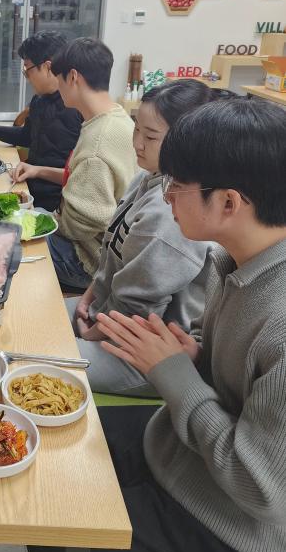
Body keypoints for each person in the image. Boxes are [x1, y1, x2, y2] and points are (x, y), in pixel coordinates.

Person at [28, 97, 286, 552]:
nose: (165, 194)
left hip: (246, 524)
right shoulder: (238, 260)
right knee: (57, 455)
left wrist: (177, 377)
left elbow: (261, 487)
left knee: (53, 535)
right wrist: (196, 358)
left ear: (229, 202)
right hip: (189, 448)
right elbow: (239, 380)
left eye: (178, 185)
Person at [66, 80, 226, 396]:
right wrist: (88, 297)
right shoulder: (148, 176)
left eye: (151, 136)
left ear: (185, 139)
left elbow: (137, 308)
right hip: (110, 314)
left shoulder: (170, 210)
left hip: (147, 347)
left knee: (38, 358)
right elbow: (113, 253)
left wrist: (89, 333)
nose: (138, 143)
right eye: (136, 129)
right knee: (36, 320)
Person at [46, 37, 137, 290]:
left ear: (73, 77)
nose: (58, 87)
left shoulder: (98, 143)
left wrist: (52, 220)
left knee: (9, 245)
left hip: (87, 260)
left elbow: (78, 225)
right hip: (108, 251)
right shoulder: (116, 117)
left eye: (59, 79)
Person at [0, 32, 82, 211]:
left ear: (47, 67)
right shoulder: (39, 100)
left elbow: (81, 176)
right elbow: (26, 136)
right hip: (28, 187)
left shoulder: (78, 108)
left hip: (56, 203)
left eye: (27, 69)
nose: (27, 77)